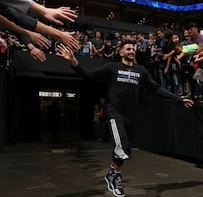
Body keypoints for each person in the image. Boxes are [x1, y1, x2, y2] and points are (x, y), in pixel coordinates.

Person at [56, 40, 194, 197]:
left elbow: (156, 89)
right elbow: (89, 75)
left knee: (123, 150)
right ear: (121, 52)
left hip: (131, 115)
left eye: (133, 49)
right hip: (115, 113)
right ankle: (116, 177)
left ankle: (112, 175)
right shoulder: (112, 67)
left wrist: (179, 99)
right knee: (122, 146)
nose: (132, 51)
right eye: (128, 49)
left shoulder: (140, 71)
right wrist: (73, 61)